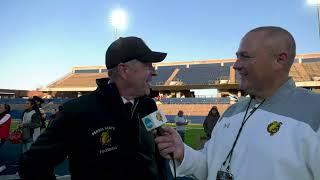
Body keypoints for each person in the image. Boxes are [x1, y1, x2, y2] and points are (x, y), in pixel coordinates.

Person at [155, 26, 320, 180]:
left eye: (245, 56)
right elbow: (209, 165)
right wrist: (184, 153)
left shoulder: (314, 111)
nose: (236, 65)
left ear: (280, 60)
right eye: (237, 56)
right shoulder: (232, 112)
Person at [19, 36, 169, 179]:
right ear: (124, 70)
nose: (154, 72)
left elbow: (160, 153)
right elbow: (32, 164)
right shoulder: (77, 112)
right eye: (147, 65)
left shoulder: (149, 105)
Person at [0, 104, 12, 173]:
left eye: (1, 107)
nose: (0, 108)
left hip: (2, 137)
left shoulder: (7, 115)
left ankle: (3, 165)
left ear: (6, 109)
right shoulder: (1, 115)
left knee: (1, 152)